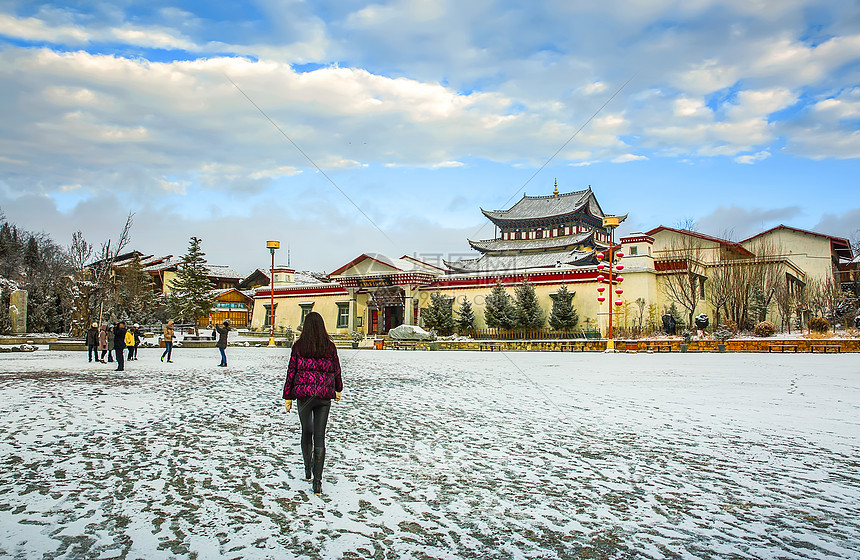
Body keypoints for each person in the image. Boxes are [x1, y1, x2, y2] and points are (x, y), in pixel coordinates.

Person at [283, 312, 343, 495]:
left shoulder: (299, 346)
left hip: (303, 397)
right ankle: (318, 482)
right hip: (324, 396)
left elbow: (291, 371)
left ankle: (308, 469)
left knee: (306, 432)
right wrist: (338, 389)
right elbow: (336, 370)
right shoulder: (330, 347)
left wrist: (288, 396)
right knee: (319, 436)